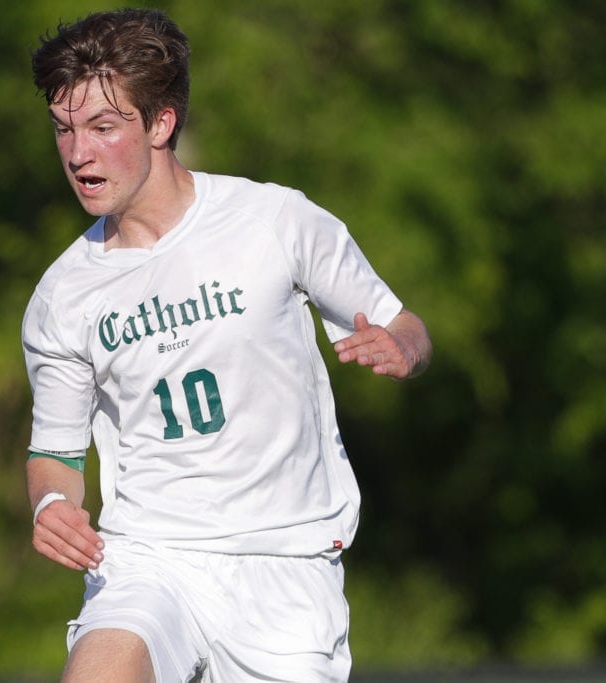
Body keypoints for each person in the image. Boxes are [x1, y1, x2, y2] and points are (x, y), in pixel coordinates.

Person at [22, 8, 432, 683]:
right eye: (64, 129)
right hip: (149, 559)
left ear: (161, 123)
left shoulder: (274, 221)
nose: (77, 154)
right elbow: (55, 453)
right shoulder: (63, 295)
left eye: (102, 127)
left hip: (285, 567)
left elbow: (406, 323)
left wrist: (401, 347)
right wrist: (53, 504)